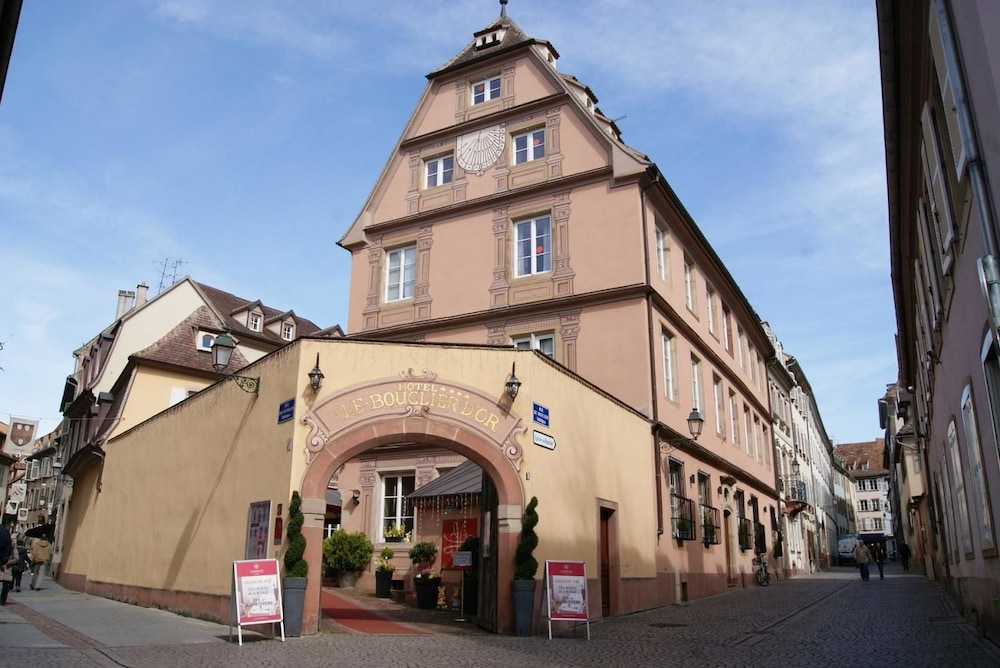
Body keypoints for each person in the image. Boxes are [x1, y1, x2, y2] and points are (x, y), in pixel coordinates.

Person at [0, 524, 13, 605]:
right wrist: (4, 561)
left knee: (5, 581)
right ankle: (2, 601)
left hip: (4, 561)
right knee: (5, 582)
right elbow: (8, 548)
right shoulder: (4, 531)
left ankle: (2, 600)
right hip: (3, 561)